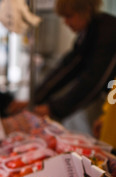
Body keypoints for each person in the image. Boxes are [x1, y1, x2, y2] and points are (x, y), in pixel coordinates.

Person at [32, 0, 116, 130]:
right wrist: (36, 98)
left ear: (85, 11)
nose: (65, 22)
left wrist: (53, 108)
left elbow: (94, 80)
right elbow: (68, 67)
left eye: (69, 16)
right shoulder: (88, 32)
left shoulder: (108, 31)